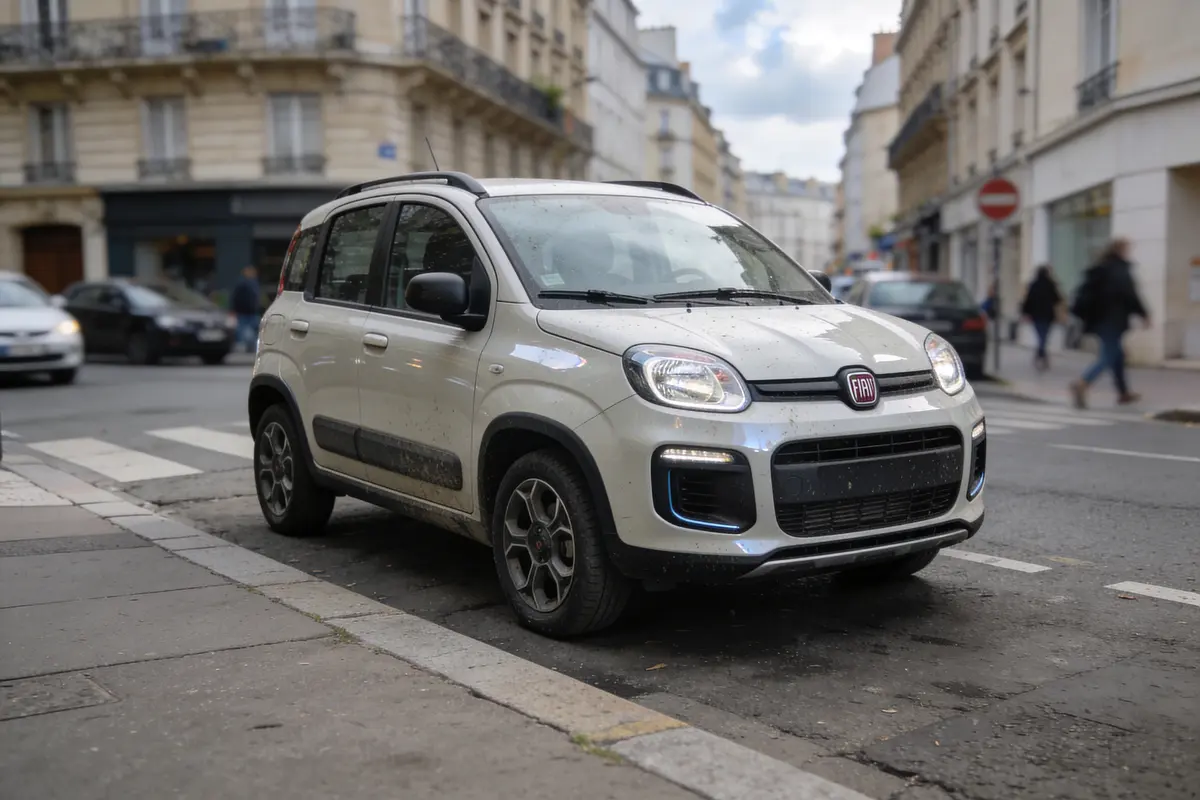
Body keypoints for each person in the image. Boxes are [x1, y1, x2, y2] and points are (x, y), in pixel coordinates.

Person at [1069, 238, 1149, 408]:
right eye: (1127, 248)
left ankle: (1123, 393)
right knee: (1109, 355)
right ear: (1121, 250)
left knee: (1117, 355)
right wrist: (1144, 314)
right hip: (1113, 319)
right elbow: (1130, 294)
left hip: (1099, 319)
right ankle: (1082, 383)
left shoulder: (1101, 268)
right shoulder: (1119, 269)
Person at [1020, 265, 1063, 371]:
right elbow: (1057, 299)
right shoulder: (1050, 285)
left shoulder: (1033, 285)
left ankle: (1040, 355)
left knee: (1041, 336)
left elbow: (1028, 300)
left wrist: (1025, 312)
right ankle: (1042, 356)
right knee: (1044, 336)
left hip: (1036, 315)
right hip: (1048, 315)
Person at [230, 266, 262, 353]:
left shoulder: (253, 284)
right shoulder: (244, 284)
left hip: (251, 312)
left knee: (250, 331)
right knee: (245, 331)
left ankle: (250, 347)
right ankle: (248, 347)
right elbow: (236, 298)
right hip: (245, 312)